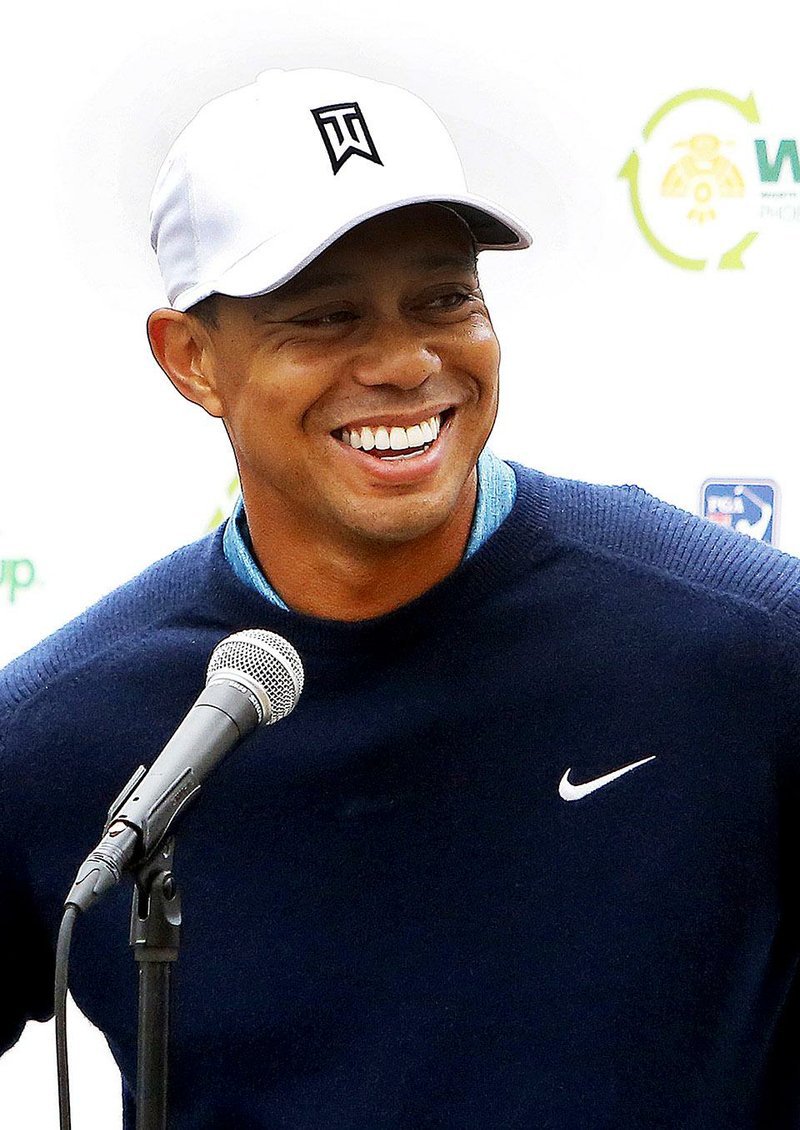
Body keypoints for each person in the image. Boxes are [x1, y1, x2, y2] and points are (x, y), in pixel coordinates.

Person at [1, 67, 798, 1130]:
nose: (405, 361)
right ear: (191, 359)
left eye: (442, 298)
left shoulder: (747, 643)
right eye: (324, 317)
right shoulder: (59, 732)